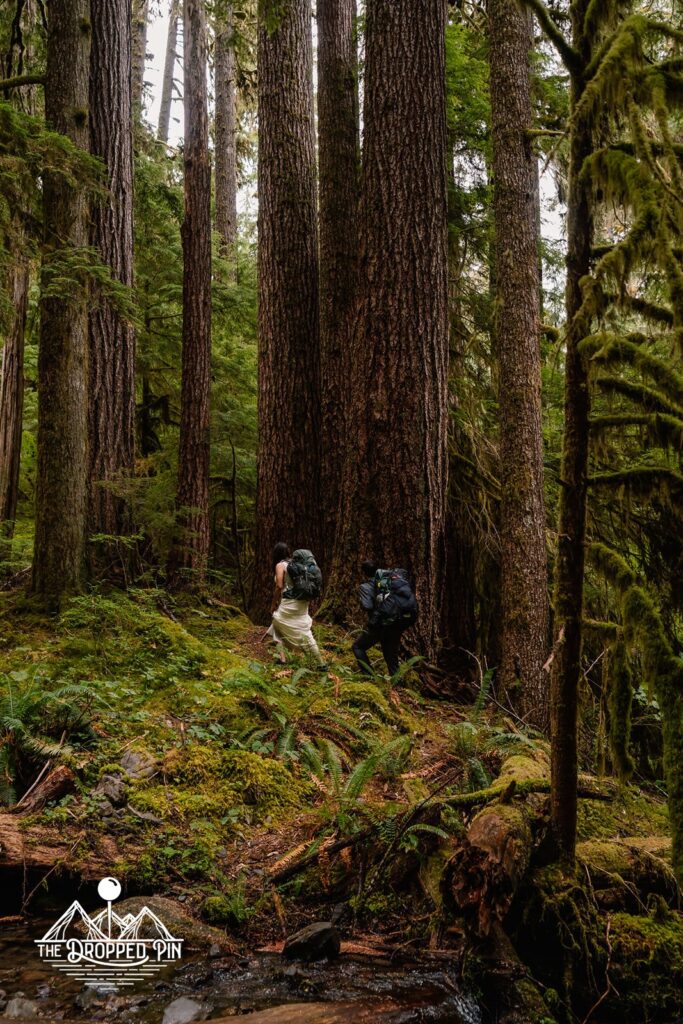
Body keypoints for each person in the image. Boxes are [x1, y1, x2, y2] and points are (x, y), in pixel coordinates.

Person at [266, 543, 327, 669]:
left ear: (276, 554)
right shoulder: (298, 565)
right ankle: (320, 663)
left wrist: (273, 604)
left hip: (289, 603)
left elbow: (278, 586)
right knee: (287, 628)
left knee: (278, 622)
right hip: (303, 602)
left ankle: (285, 660)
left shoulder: (280, 565)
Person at [352, 561, 417, 677]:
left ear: (365, 574)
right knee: (391, 657)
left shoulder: (366, 586)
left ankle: (369, 677)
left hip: (379, 624)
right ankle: (398, 686)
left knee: (358, 647)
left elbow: (367, 606)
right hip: (397, 623)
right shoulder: (391, 581)